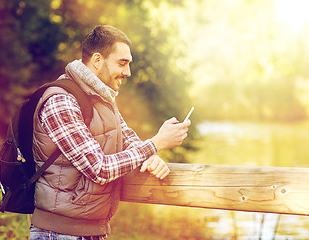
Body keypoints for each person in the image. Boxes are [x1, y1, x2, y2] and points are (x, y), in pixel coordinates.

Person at [29, 25, 191, 240]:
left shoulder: (103, 97)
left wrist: (151, 157)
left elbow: (127, 138)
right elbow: (99, 168)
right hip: (58, 233)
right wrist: (155, 144)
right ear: (97, 60)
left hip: (94, 231)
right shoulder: (62, 100)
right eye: (122, 63)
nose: (128, 72)